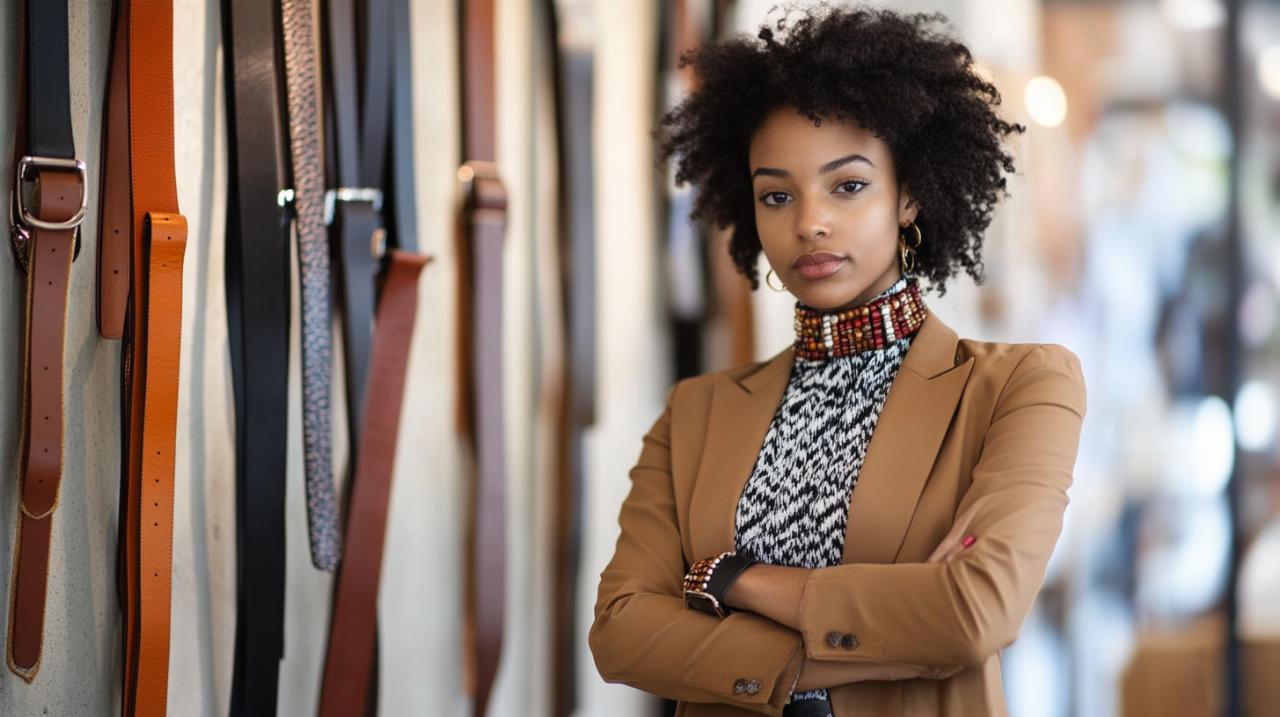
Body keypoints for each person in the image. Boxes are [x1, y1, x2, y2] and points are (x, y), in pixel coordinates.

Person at [587, 6, 1087, 717]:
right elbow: (621, 634)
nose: (809, 222)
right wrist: (877, 642)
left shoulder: (1021, 386)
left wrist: (733, 579)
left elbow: (975, 610)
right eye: (777, 195)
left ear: (909, 194)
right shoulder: (696, 412)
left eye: (847, 185)